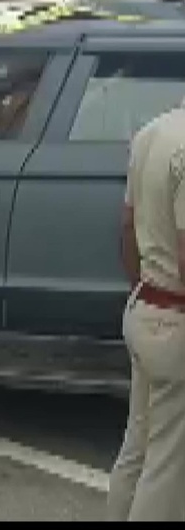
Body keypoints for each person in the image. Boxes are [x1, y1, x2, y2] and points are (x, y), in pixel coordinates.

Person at [106, 101, 185, 522]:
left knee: (136, 447)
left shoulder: (151, 133)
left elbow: (127, 227)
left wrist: (142, 283)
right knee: (169, 466)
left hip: (145, 305)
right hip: (177, 319)